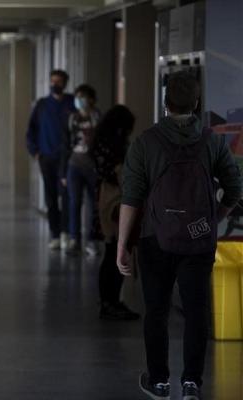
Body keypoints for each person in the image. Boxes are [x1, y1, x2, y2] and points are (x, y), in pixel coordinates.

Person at [117, 71, 242, 400]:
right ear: (196, 103)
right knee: (196, 310)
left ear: (165, 103)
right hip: (198, 241)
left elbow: (131, 197)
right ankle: (192, 383)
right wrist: (214, 218)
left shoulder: (145, 142)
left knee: (156, 310)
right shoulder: (212, 141)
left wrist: (122, 246)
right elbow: (235, 188)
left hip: (153, 239)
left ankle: (158, 380)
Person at [92, 105, 139, 321]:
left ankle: (110, 301)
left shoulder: (101, 141)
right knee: (115, 253)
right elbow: (120, 174)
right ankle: (110, 302)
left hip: (106, 199)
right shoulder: (113, 146)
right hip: (114, 200)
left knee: (112, 252)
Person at [27, 70, 76, 250]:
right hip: (46, 158)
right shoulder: (42, 105)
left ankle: (66, 233)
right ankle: (55, 234)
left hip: (67, 159)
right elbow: (31, 130)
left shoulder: (72, 103)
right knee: (51, 198)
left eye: (59, 81)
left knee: (67, 195)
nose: (55, 84)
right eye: (53, 81)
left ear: (65, 82)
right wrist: (36, 152)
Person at [62, 84, 101, 255]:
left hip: (93, 167)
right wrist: (63, 172)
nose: (79, 100)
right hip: (74, 165)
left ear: (91, 99)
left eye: (83, 97)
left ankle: (93, 241)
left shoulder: (98, 117)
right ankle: (74, 239)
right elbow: (65, 144)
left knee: (95, 204)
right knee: (74, 202)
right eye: (77, 97)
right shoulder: (73, 118)